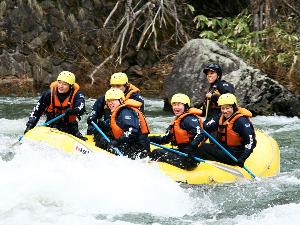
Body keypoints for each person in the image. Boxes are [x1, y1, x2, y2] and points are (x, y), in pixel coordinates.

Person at [197, 93, 257, 167]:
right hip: (222, 149)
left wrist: (242, 159)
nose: (225, 111)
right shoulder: (221, 116)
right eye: (222, 108)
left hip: (233, 155)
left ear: (234, 107)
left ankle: (191, 164)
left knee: (202, 147)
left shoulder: (241, 121)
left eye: (228, 108)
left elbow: (251, 142)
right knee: (202, 142)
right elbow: (207, 126)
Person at [149, 93, 206, 170]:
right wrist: (149, 138)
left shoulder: (189, 119)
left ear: (185, 106)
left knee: (157, 153)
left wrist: (190, 147)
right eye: (174, 105)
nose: (176, 107)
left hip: (190, 159)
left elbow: (200, 134)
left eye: (179, 105)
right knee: (156, 152)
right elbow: (165, 139)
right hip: (182, 152)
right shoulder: (176, 120)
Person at [24, 71, 86, 140]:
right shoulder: (48, 94)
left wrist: (74, 110)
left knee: (81, 139)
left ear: (70, 86)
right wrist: (29, 127)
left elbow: (81, 107)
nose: (61, 86)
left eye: (64, 84)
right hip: (51, 125)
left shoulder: (77, 95)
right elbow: (37, 112)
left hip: (70, 127)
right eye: (59, 83)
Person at [94, 88, 150, 159]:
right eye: (108, 101)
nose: (110, 103)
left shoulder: (126, 112)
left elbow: (131, 131)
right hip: (133, 146)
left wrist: (117, 142)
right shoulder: (120, 112)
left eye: (113, 100)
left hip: (137, 151)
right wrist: (100, 123)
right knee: (102, 137)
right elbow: (111, 125)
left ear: (121, 100)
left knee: (102, 141)